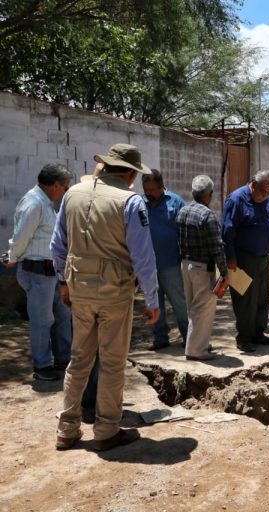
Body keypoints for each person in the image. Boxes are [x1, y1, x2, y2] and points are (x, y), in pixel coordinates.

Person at [51, 143, 160, 452]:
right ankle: (106, 430)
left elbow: (57, 245)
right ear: (129, 174)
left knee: (79, 359)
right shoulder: (130, 202)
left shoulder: (72, 194)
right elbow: (143, 257)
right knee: (111, 362)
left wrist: (63, 282)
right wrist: (152, 300)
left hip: (79, 290)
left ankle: (67, 428)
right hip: (114, 293)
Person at [5, 164, 74, 381]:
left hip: (53, 272)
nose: (65, 191)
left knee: (62, 316)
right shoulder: (34, 204)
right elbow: (21, 237)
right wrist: (12, 257)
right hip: (37, 272)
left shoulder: (46, 203)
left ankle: (64, 360)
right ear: (55, 185)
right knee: (42, 320)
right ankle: (42, 366)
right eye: (64, 187)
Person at [222, 171, 269, 351]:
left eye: (268, 193)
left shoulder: (267, 199)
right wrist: (230, 257)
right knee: (246, 299)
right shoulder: (236, 199)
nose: (265, 196)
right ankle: (244, 337)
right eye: (262, 192)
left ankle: (258, 333)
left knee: (261, 297)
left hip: (263, 257)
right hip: (243, 258)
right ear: (253, 183)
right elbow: (227, 232)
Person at [176, 175, 228, 361]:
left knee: (193, 308)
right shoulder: (208, 215)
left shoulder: (182, 211)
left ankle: (197, 344)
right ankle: (196, 350)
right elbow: (217, 247)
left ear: (193, 192)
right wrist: (224, 271)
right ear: (210, 195)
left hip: (185, 265)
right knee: (202, 310)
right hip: (202, 267)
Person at [142, 169, 189, 350]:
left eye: (152, 189)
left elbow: (185, 231)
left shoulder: (175, 202)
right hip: (148, 266)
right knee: (154, 303)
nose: (149, 193)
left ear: (162, 187)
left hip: (171, 264)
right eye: (146, 189)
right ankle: (160, 337)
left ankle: (188, 337)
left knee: (180, 303)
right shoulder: (140, 202)